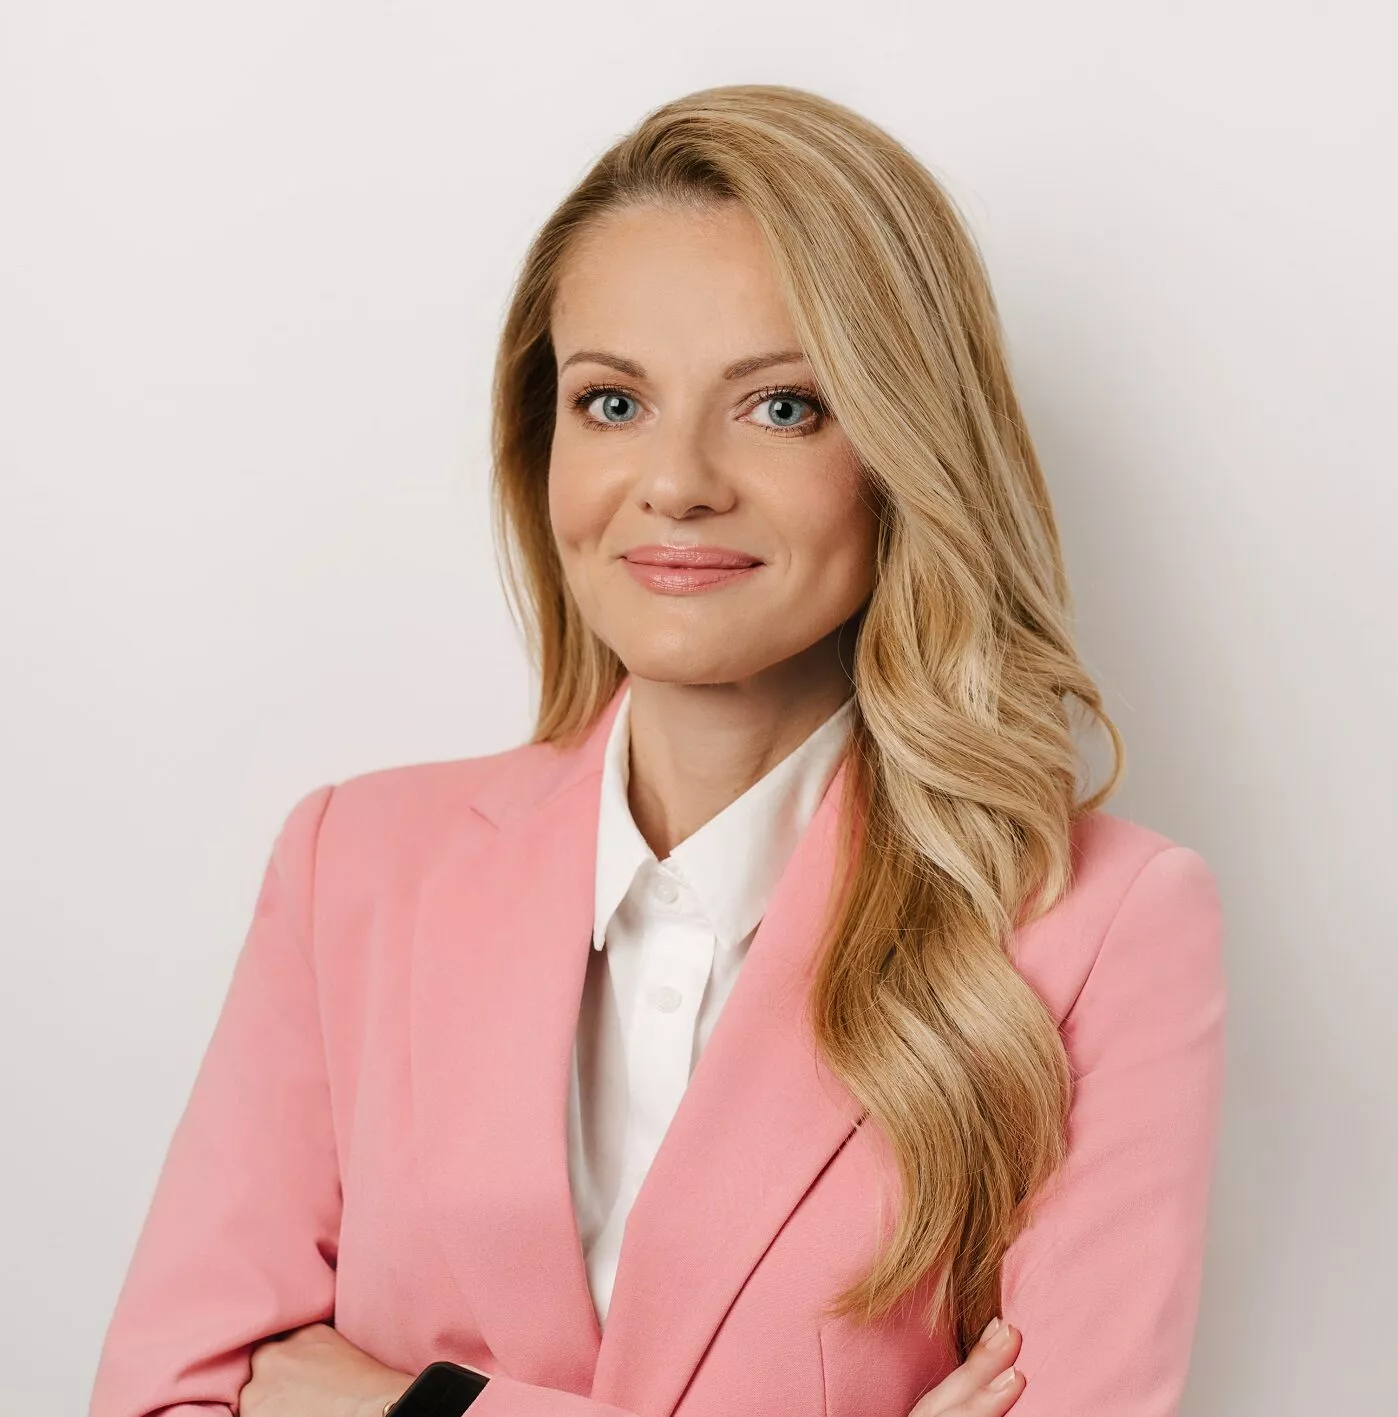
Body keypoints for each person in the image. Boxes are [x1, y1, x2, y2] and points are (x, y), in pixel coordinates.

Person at [88, 83, 1227, 1417]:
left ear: (906, 450)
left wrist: (407, 1408)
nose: (677, 482)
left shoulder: (1099, 931)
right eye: (613, 402)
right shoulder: (354, 864)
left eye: (782, 407)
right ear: (543, 446)